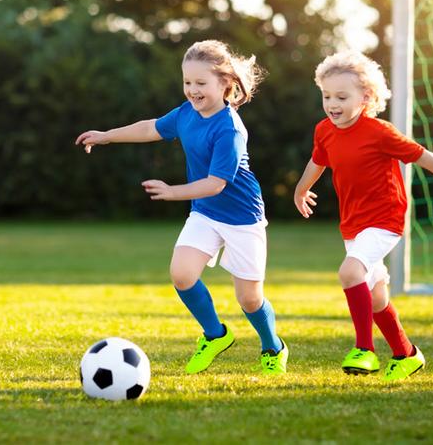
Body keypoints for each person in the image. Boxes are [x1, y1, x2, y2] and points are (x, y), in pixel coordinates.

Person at [75, 40, 287, 375]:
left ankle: (273, 347)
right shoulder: (187, 114)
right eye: (187, 82)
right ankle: (215, 335)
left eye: (201, 83)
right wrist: (106, 136)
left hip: (242, 218)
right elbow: (151, 128)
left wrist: (174, 192)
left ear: (225, 84)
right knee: (182, 274)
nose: (192, 90)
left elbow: (217, 183)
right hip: (205, 212)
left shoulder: (229, 129)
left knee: (248, 299)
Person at [293, 51, 433, 381]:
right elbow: (317, 161)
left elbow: (424, 157)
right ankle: (407, 354)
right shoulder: (324, 130)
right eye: (327, 95)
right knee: (374, 296)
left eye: (342, 97)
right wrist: (300, 190)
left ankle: (365, 351)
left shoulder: (379, 132)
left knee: (350, 271)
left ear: (366, 97)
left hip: (385, 219)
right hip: (353, 223)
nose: (332, 103)